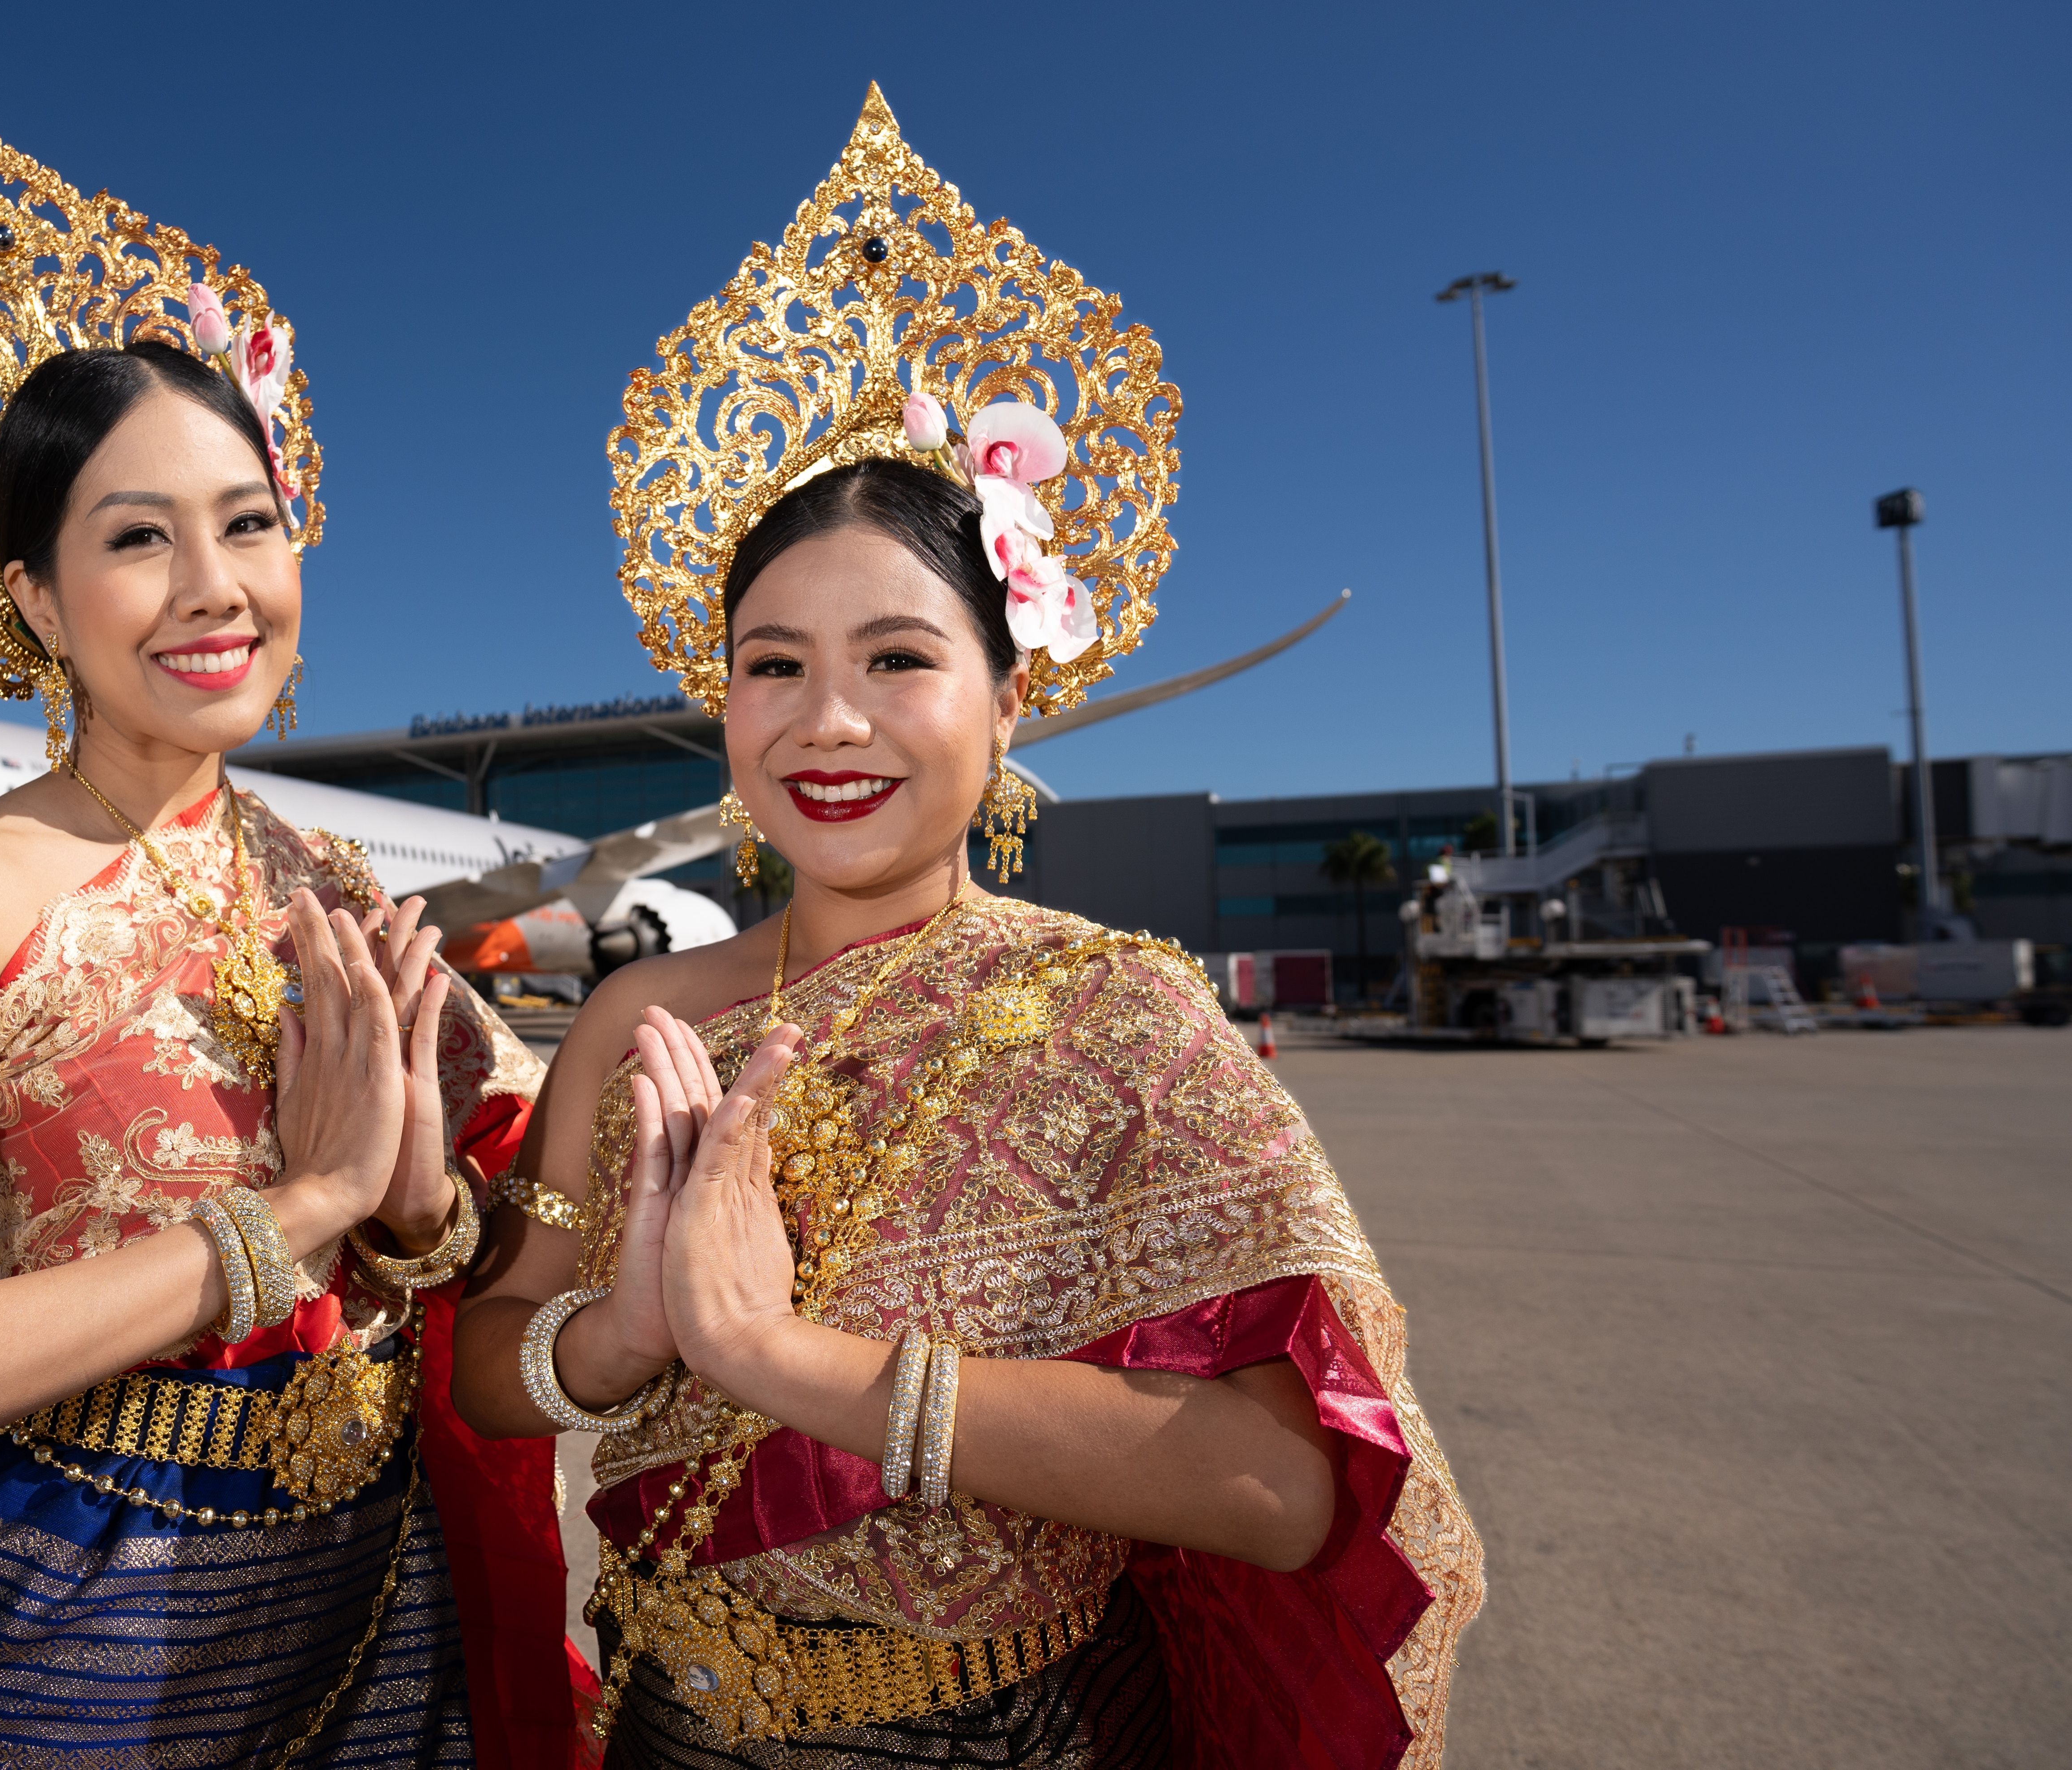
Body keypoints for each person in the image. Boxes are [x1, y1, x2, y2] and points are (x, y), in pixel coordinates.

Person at [455, 88, 1483, 1769]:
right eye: (772, 666)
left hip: (1002, 1738)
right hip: (655, 1725)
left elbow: (1286, 1489)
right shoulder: (644, 1015)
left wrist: (785, 1361)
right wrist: (629, 1338)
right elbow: (499, 1365)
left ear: (1011, 700)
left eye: (900, 661)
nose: (829, 722)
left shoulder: (1122, 1014)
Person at [0, 93, 568, 1768]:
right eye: (139, 538)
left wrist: (419, 1207)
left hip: (377, 1613)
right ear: (41, 602)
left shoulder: (338, 883)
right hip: (75, 1643)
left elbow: (494, 1251)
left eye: (250, 522)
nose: (217, 584)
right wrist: (302, 1212)